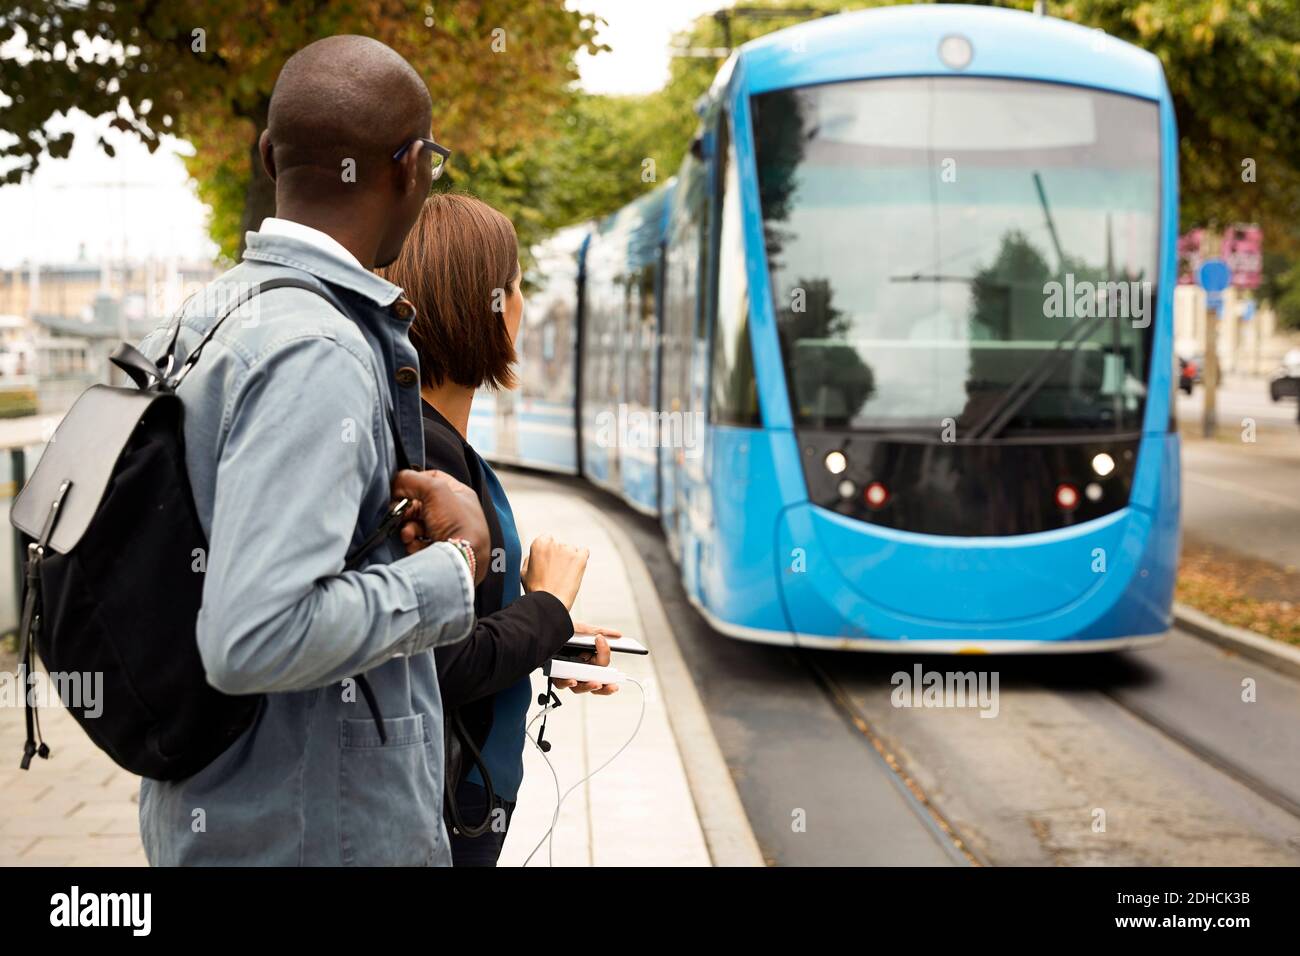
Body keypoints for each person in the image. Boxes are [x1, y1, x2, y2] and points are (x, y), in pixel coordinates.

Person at [135, 35, 490, 866]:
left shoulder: (208, 316)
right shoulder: (316, 350)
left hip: (229, 814)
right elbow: (254, 635)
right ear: (410, 167)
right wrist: (455, 564)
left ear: (268, 154)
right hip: (312, 835)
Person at [378, 194, 619, 866]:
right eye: (515, 286)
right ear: (484, 306)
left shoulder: (428, 442)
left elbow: (449, 626)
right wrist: (546, 608)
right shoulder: (427, 461)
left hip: (453, 787)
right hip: (444, 802)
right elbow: (442, 666)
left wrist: (553, 633)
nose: (522, 303)